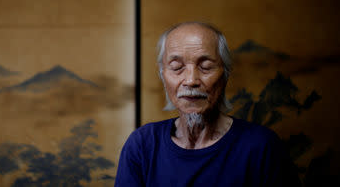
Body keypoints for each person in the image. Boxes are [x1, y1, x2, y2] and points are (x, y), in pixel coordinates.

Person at [115, 21, 300, 186]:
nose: (190, 80)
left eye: (206, 67)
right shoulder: (142, 145)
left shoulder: (261, 146)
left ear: (225, 75)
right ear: (163, 76)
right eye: (177, 67)